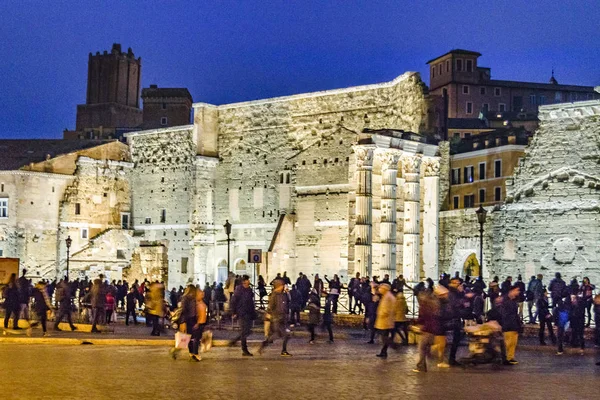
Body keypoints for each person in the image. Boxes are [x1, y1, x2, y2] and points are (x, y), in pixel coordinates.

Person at [258, 278, 292, 357]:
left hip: (283, 318)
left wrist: (288, 293)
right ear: (279, 286)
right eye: (282, 285)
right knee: (281, 334)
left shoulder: (283, 294)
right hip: (276, 318)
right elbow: (271, 307)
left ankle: (266, 344)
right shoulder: (274, 295)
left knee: (282, 335)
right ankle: (281, 350)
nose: (284, 287)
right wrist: (268, 317)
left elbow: (288, 302)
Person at [413, 288, 443, 372]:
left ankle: (421, 366)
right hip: (433, 328)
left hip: (427, 329)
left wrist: (417, 323)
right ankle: (427, 360)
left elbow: (423, 318)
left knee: (422, 348)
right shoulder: (435, 305)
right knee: (426, 346)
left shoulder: (424, 306)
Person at [229, 275, 256, 356]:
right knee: (244, 331)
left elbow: (250, 301)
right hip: (242, 313)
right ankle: (244, 349)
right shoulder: (239, 290)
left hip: (249, 312)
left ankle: (235, 340)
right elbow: (233, 301)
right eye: (248, 280)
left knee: (248, 331)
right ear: (244, 281)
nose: (249, 281)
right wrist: (233, 312)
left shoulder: (249, 290)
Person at [500, 285, 521, 365]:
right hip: (508, 324)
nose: (518, 292)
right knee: (508, 342)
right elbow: (504, 313)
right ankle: (506, 358)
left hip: (514, 324)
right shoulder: (505, 300)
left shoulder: (513, 300)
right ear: (511, 291)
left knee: (513, 342)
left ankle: (510, 357)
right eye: (517, 290)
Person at [375, 283, 396, 358]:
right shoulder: (387, 296)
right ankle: (384, 352)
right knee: (384, 336)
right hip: (385, 320)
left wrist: (381, 314)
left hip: (385, 320)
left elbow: (387, 309)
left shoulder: (388, 297)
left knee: (384, 336)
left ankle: (392, 344)